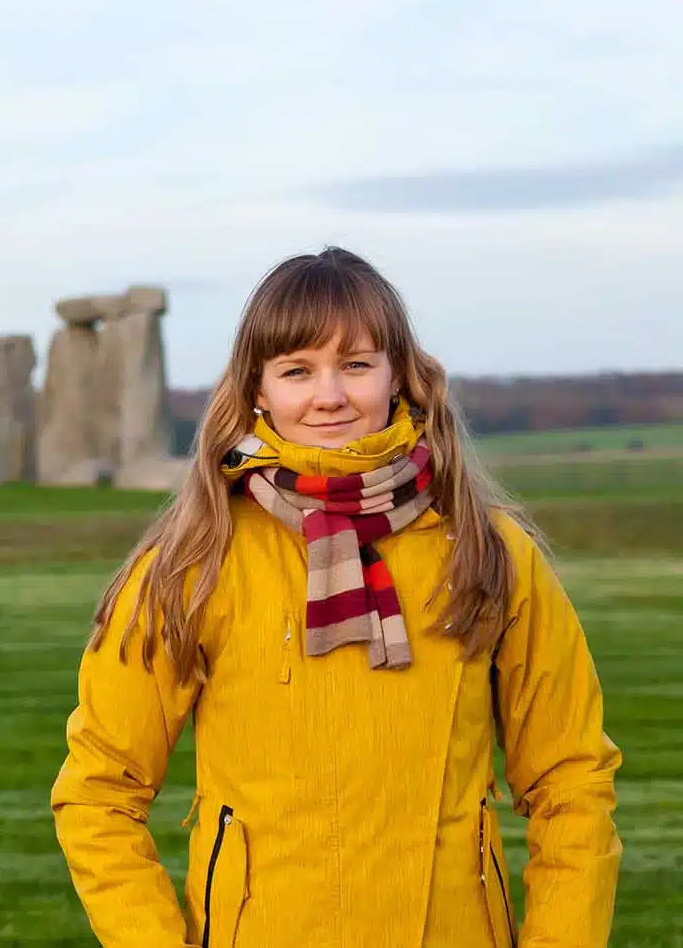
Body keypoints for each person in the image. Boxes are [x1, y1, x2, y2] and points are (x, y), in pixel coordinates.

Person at [49, 247, 622, 947]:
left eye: (356, 364)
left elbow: (572, 779)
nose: (329, 395)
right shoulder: (191, 562)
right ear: (257, 388)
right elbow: (99, 792)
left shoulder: (490, 551)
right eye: (297, 370)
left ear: (398, 375)